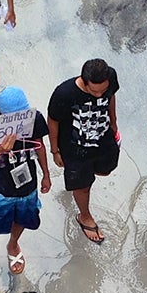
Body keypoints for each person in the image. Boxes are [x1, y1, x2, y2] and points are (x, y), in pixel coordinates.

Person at [0, 87, 52, 273]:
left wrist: (46, 174)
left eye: (24, 114)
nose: (22, 119)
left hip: (27, 184)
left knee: (22, 219)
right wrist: (0, 149)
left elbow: (39, 146)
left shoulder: (34, 118)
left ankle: (13, 244)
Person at [48, 58, 121, 244]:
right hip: (74, 149)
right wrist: (55, 150)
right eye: (94, 91)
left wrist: (113, 122)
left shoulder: (110, 77)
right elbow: (53, 120)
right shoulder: (64, 93)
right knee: (82, 186)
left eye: (102, 91)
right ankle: (85, 216)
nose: (99, 95)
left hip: (103, 138)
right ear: (83, 80)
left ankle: (85, 177)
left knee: (106, 169)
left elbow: (111, 96)